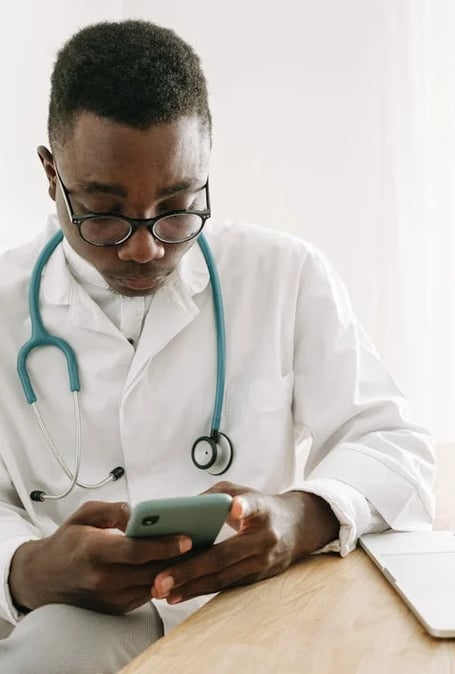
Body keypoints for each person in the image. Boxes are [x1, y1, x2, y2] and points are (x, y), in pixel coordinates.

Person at [0, 19, 434, 674]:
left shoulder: (281, 273)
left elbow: (394, 446)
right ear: (50, 172)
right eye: (104, 211)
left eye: (177, 205)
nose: (145, 246)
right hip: (82, 624)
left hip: (253, 610)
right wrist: (25, 568)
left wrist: (300, 517)